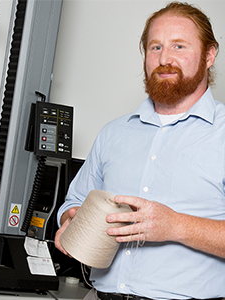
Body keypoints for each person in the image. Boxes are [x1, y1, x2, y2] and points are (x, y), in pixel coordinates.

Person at [55, 2, 225, 300]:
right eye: (155, 47)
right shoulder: (114, 133)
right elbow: (75, 201)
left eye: (179, 46)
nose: (165, 59)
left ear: (209, 55)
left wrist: (176, 225)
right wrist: (72, 220)